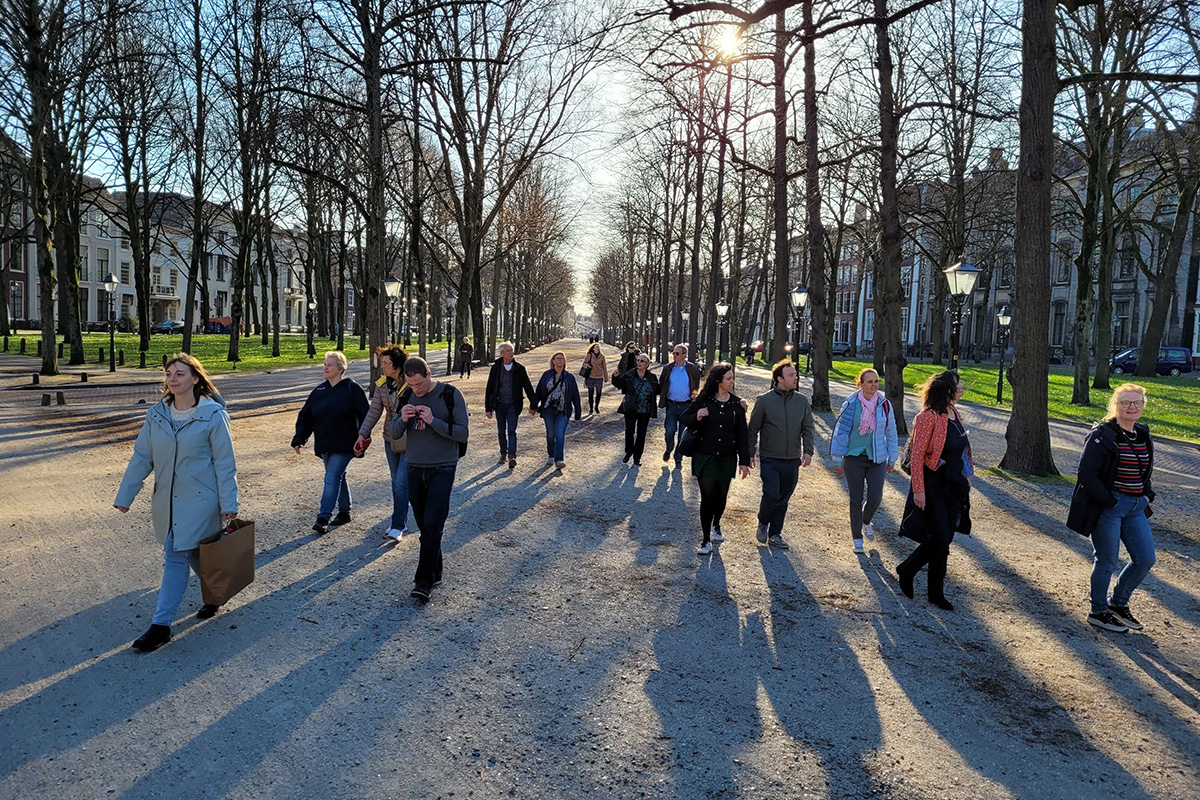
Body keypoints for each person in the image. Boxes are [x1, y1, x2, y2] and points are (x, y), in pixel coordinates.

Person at [115, 353, 238, 652]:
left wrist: (229, 503)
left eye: (179, 373)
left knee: (176, 553)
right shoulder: (157, 414)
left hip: (200, 500)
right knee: (194, 550)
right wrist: (125, 495)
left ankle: (161, 625)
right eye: (169, 374)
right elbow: (142, 456)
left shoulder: (212, 415)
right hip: (167, 499)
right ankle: (215, 593)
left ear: (195, 378)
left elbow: (225, 463)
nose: (172, 378)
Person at [1067, 383, 1157, 633]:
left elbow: (1144, 470)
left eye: (1137, 402)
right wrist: (1110, 501)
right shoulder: (1103, 435)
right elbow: (1086, 473)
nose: (1132, 407)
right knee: (1106, 561)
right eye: (1125, 402)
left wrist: (1147, 495)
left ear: (1143, 405)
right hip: (1110, 507)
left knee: (1145, 559)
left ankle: (1117, 604)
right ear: (1115, 405)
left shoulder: (1142, 433)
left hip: (1136, 507)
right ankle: (1097, 612)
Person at [388, 357, 469, 601]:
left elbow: (462, 433)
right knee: (425, 526)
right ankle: (436, 570)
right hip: (414, 467)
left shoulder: (450, 395)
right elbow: (393, 433)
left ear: (429, 374)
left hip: (443, 467)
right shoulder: (406, 395)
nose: (417, 389)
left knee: (433, 525)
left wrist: (434, 421)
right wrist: (402, 419)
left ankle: (422, 583)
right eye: (411, 384)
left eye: (420, 384)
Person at [896, 370, 974, 611]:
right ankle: (907, 569)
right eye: (959, 384)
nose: (962, 387)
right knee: (940, 537)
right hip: (933, 484)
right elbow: (917, 456)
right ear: (948, 389)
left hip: (954, 484)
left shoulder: (955, 413)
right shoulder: (927, 417)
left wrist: (966, 476)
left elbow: (961, 449)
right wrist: (918, 490)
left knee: (946, 538)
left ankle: (936, 593)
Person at [291, 351, 370, 534]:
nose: (325, 368)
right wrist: (300, 438)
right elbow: (306, 416)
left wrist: (363, 438)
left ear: (340, 369)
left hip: (346, 444)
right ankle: (344, 512)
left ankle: (323, 517)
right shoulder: (319, 391)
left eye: (330, 365)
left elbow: (366, 416)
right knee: (337, 476)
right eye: (324, 365)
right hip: (325, 443)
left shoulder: (352, 389)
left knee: (332, 477)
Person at [681, 363, 751, 555]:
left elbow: (742, 435)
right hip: (704, 456)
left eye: (732, 378)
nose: (732, 382)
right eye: (729, 378)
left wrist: (744, 461)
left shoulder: (737, 405)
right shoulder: (704, 400)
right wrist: (697, 416)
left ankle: (716, 523)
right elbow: (684, 419)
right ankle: (705, 540)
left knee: (720, 497)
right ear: (719, 381)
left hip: (727, 457)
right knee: (707, 497)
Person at [829, 368, 900, 553]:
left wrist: (893, 457)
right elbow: (841, 432)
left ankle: (865, 520)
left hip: (877, 457)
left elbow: (891, 432)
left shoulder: (885, 404)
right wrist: (837, 459)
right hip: (853, 457)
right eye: (870, 382)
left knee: (875, 497)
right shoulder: (851, 404)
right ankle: (857, 538)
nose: (874, 385)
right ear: (860, 384)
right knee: (856, 498)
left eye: (876, 381)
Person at [747, 359, 815, 551]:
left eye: (796, 374)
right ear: (780, 379)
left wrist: (808, 451)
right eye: (791, 375)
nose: (796, 378)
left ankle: (775, 534)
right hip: (770, 457)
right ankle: (763, 522)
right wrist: (750, 453)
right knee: (771, 493)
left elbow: (808, 428)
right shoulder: (764, 401)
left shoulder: (802, 401)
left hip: (792, 459)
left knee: (783, 498)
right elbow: (753, 429)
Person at [356, 345, 413, 541]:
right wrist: (362, 434)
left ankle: (398, 525)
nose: (382, 366)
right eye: (382, 363)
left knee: (401, 482)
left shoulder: (412, 382)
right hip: (391, 440)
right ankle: (401, 515)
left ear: (397, 365)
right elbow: (374, 411)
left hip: (411, 440)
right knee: (396, 481)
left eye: (386, 363)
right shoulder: (381, 384)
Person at [484, 341, 536, 469]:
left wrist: (533, 404)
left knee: (512, 431)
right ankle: (503, 453)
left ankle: (512, 455)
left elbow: (528, 387)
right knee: (501, 430)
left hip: (514, 404)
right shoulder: (496, 368)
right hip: (500, 404)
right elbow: (489, 388)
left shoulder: (519, 369)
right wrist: (488, 408)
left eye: (512, 350)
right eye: (508, 351)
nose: (511, 353)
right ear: (502, 353)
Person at [531, 351, 582, 470]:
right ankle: (551, 454)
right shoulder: (546, 375)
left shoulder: (569, 377)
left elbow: (575, 395)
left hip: (563, 410)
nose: (560, 360)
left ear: (564, 361)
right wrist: (533, 406)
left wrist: (578, 412)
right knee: (551, 434)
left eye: (562, 358)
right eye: (557, 358)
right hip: (548, 409)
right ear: (553, 361)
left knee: (560, 434)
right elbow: (539, 391)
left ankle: (559, 459)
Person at [612, 351, 661, 466]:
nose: (639, 362)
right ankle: (628, 452)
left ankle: (637, 457)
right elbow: (619, 384)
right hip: (631, 407)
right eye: (638, 360)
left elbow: (658, 390)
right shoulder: (630, 374)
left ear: (647, 364)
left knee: (641, 433)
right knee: (629, 431)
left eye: (642, 361)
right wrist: (615, 377)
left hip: (645, 410)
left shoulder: (652, 377)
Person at [659, 344, 702, 469]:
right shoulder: (668, 368)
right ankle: (669, 448)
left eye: (677, 353)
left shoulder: (692, 369)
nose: (674, 355)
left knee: (682, 435)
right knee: (669, 430)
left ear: (684, 355)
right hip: (671, 405)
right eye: (673, 353)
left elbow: (696, 385)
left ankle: (678, 459)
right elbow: (662, 383)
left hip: (686, 406)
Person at [581, 342, 609, 414]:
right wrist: (587, 365)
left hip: (599, 377)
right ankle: (591, 408)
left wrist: (606, 377)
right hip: (591, 376)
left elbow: (604, 367)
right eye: (596, 347)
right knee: (591, 393)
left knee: (599, 393)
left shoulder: (602, 357)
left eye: (598, 347)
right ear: (593, 348)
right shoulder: (589, 355)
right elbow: (584, 364)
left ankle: (596, 406)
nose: (597, 348)